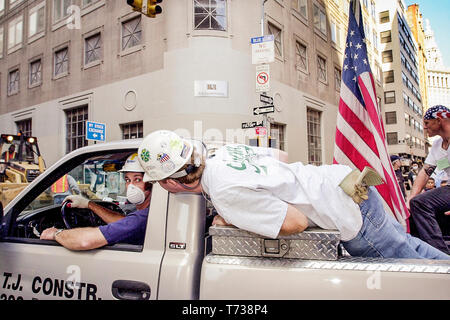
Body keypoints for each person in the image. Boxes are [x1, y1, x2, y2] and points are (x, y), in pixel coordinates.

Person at [137, 130, 449, 260]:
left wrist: (235, 220)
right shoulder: (223, 154)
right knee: (409, 249)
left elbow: (296, 222)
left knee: (411, 271)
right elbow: (280, 159)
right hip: (345, 181)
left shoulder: (224, 193)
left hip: (347, 210)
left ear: (171, 183)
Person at [40, 153, 152, 250]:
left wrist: (56, 234)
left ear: (151, 182)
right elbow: (123, 222)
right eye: (127, 180)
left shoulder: (142, 218)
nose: (131, 186)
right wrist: (89, 204)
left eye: (137, 179)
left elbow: (85, 241)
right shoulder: (145, 215)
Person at [408, 105, 450, 255]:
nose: (424, 128)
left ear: (439, 121)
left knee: (420, 203)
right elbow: (426, 172)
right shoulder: (438, 146)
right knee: (415, 207)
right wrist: (412, 197)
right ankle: (420, 251)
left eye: (426, 123)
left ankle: (441, 256)